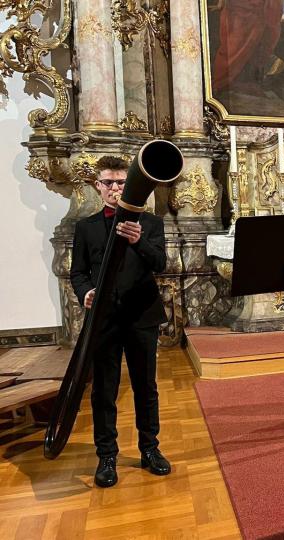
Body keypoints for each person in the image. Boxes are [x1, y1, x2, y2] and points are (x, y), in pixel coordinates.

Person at [70, 156, 170, 488]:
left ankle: (150, 449)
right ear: (98, 186)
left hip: (142, 315)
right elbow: (78, 272)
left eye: (122, 182)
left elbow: (160, 264)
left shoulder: (152, 224)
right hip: (104, 319)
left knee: (146, 387)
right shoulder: (85, 227)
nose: (116, 188)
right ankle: (107, 456)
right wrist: (85, 293)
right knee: (104, 391)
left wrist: (138, 239)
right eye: (109, 182)